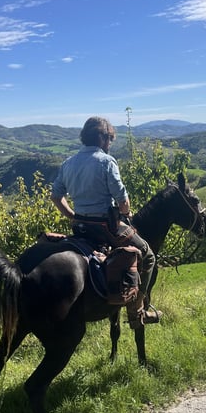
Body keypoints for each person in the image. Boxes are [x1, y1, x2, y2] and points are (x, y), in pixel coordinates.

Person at [50, 116, 161, 329]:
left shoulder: (68, 163)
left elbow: (56, 196)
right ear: (102, 138)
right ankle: (138, 312)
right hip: (105, 228)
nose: (110, 144)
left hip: (80, 226)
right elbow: (123, 201)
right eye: (109, 139)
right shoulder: (106, 161)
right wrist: (125, 211)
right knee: (147, 255)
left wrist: (72, 215)